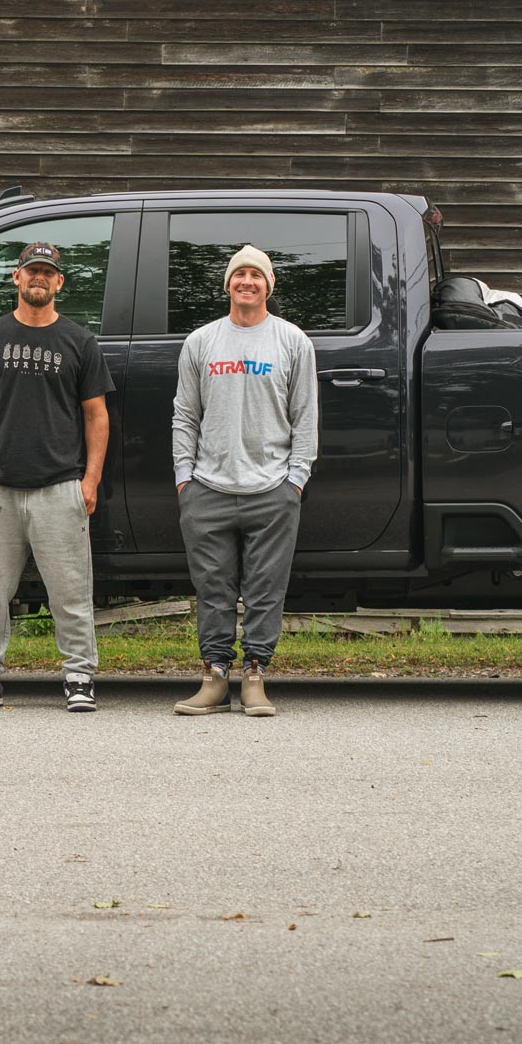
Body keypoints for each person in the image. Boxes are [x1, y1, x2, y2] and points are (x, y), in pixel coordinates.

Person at [0, 240, 114, 713]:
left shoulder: (80, 341)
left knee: (70, 591)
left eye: (47, 272)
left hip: (60, 487)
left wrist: (91, 481)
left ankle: (79, 677)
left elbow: (97, 417)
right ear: (16, 278)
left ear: (59, 282)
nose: (39, 278)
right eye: (31, 271)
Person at [170, 245, 318, 717]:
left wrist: (295, 480)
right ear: (228, 284)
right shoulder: (202, 341)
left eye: (257, 275)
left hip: (271, 490)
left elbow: (306, 417)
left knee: (265, 588)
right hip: (207, 489)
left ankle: (255, 674)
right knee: (212, 588)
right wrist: (183, 479)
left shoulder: (292, 341)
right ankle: (214, 675)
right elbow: (185, 415)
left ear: (268, 286)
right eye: (240, 275)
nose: (247, 282)